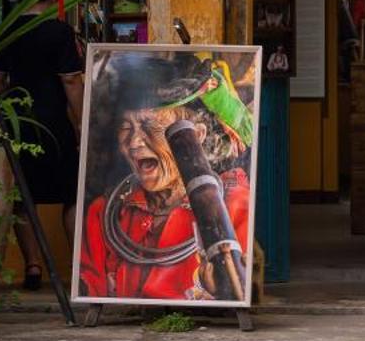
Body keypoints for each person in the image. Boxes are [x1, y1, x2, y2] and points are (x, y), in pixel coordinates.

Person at [79, 105, 252, 300]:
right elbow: (92, 285)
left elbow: (238, 286)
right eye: (125, 127)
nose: (134, 142)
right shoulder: (104, 213)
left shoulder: (233, 206)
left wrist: (220, 294)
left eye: (151, 124)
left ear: (197, 135)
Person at [0, 0, 85, 290]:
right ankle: (79, 268)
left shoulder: (9, 31)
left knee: (23, 198)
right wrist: (82, 123)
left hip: (18, 125)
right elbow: (71, 80)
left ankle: (32, 266)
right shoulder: (59, 32)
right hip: (55, 123)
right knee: (70, 196)